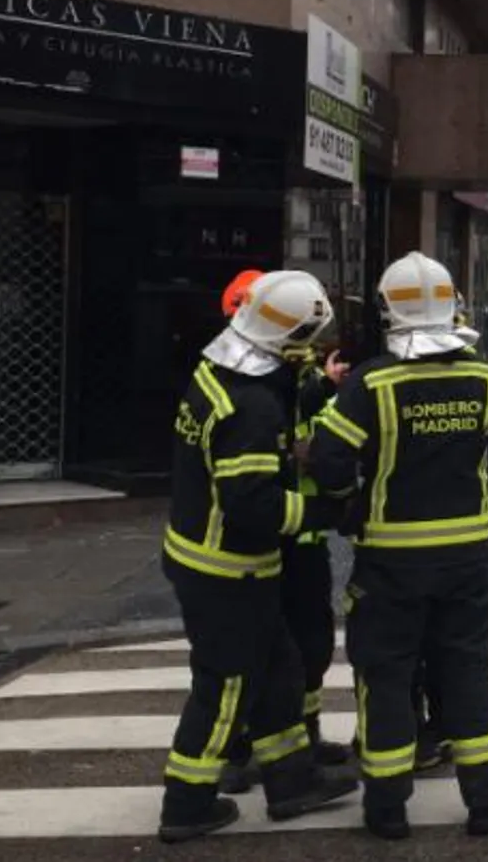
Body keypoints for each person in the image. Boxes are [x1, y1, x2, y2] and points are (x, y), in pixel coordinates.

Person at [309, 251, 488, 840]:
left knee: (387, 679)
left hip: (390, 564)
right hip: (468, 560)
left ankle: (387, 808)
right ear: (452, 309)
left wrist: (350, 501)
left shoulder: (371, 383)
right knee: (469, 674)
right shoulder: (486, 379)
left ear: (387, 312)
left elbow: (328, 460)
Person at [157, 270, 359, 844]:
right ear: (288, 339)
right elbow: (251, 506)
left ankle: (291, 781)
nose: (316, 353)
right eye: (310, 341)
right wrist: (323, 514)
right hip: (228, 568)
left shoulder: (214, 372)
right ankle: (187, 801)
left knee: (280, 671)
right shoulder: (253, 406)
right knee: (223, 687)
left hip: (207, 556)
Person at [211, 270, 351, 796]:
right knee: (250, 655)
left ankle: (301, 744)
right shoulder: (238, 386)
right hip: (259, 538)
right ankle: (234, 751)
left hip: (299, 537)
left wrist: (324, 394)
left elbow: (304, 422)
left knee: (307, 645)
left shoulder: (294, 375)